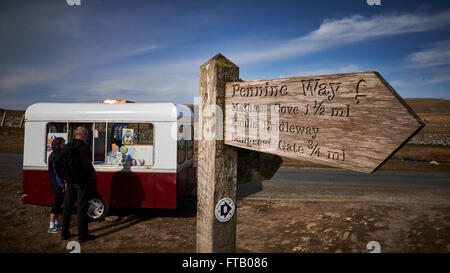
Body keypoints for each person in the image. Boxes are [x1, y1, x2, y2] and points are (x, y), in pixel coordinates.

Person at [61, 126, 96, 243]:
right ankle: (82, 236)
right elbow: (87, 166)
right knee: (81, 208)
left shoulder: (67, 147)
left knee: (67, 207)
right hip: (82, 182)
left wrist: (65, 179)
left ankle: (64, 233)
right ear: (84, 135)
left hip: (70, 181)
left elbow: (62, 164)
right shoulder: (84, 148)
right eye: (86, 135)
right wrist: (91, 173)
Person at [47, 137, 66, 234]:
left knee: (58, 204)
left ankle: (56, 222)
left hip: (54, 183)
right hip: (58, 184)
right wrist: (62, 185)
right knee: (56, 204)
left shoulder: (52, 155)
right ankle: (51, 225)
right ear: (58, 145)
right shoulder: (57, 156)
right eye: (63, 143)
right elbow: (58, 174)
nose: (64, 145)